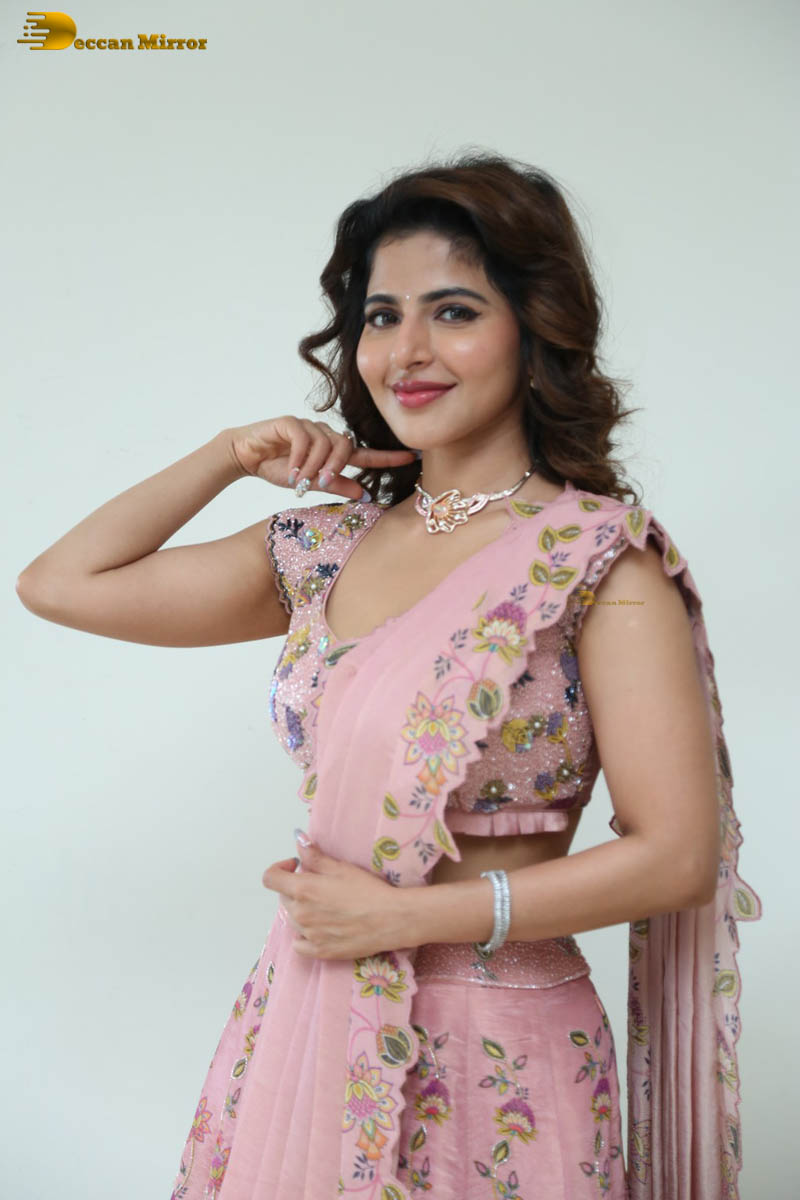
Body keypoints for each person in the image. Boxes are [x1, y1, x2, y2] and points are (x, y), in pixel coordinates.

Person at [16, 152, 761, 1200]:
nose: (405, 351)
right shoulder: (326, 550)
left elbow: (676, 857)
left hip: (502, 1057)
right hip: (308, 1027)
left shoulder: (598, 562)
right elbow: (59, 584)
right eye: (380, 316)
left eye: (452, 312)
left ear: (533, 331)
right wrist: (227, 454)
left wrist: (410, 920)